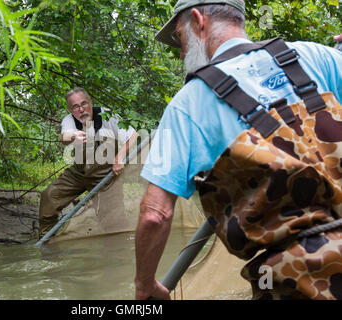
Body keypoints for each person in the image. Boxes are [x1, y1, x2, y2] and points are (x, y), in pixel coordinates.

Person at [135, 0, 342, 300]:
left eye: (180, 39)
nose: (181, 53)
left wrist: (145, 286)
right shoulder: (316, 56)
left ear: (198, 20)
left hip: (297, 281)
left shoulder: (187, 104)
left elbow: (155, 214)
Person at [38, 87, 138, 239]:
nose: (81, 109)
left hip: (106, 176)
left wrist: (120, 157)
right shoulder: (69, 120)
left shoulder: (107, 115)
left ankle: (118, 251)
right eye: (75, 106)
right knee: (49, 196)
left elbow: (133, 135)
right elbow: (64, 137)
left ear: (90, 103)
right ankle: (46, 241)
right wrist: (73, 137)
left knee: (114, 220)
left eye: (84, 104)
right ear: (70, 110)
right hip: (78, 174)